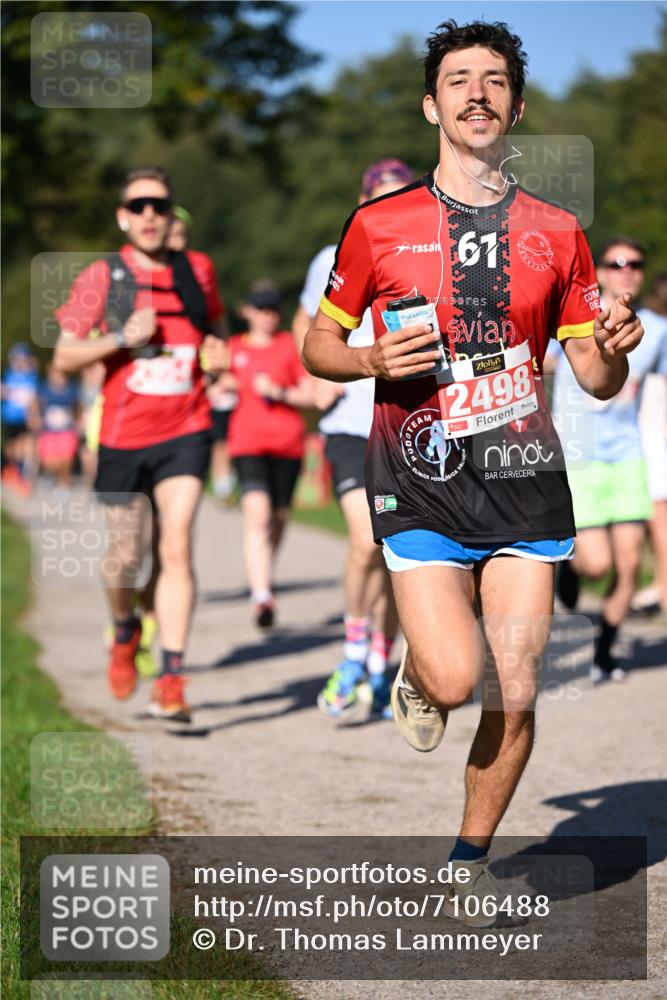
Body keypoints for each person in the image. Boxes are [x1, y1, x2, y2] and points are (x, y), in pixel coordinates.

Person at [302, 19, 644, 921]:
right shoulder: (379, 224)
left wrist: (612, 345)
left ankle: (466, 856)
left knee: (519, 683)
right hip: (416, 473)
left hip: (526, 475)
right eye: (458, 80)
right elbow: (317, 343)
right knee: (457, 681)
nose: (477, 93)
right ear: (432, 104)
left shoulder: (558, 232)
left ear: (517, 105)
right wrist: (371, 363)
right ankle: (420, 675)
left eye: (494, 80)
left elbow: (597, 384)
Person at [53, 166, 227, 723]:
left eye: (160, 205)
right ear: (123, 217)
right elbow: (63, 356)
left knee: (176, 548)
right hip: (123, 436)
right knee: (126, 555)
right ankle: (125, 630)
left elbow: (215, 332)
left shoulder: (197, 270)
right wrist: (120, 339)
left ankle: (172, 676)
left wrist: (216, 356)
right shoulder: (102, 276)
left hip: (187, 428)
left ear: (170, 214)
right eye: (139, 206)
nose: (151, 215)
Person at [293, 160, 415, 719]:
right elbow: (306, 326)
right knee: (367, 538)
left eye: (401, 198)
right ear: (362, 198)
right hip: (347, 422)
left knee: (394, 552)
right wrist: (313, 377)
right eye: (380, 198)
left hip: (406, 426)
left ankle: (383, 663)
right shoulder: (332, 255)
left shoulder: (425, 256)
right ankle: (351, 652)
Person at [553, 240, 667, 676]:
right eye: (616, 263)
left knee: (630, 560)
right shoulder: (574, 316)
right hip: (580, 453)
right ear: (599, 271)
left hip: (627, 453)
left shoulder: (656, 329)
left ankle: (605, 650)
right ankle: (571, 569)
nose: (627, 271)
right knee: (597, 562)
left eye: (635, 264)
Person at [222, 282, 313, 628]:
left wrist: (278, 392)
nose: (267, 316)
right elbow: (217, 385)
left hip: (287, 444)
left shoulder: (289, 346)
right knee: (257, 516)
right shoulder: (233, 348)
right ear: (247, 311)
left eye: (272, 309)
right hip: (247, 443)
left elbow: (310, 395)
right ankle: (262, 596)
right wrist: (219, 386)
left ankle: (263, 574)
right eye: (260, 309)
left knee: (277, 519)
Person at [636, 272, 667, 616]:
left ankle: (657, 587)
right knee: (659, 520)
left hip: (641, 430)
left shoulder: (644, 322)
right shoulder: (660, 331)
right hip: (652, 432)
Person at [32, 361, 81, 490]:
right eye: (55, 374)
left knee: (66, 458)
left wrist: (78, 421)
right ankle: (53, 477)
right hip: (48, 431)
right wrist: (35, 417)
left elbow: (78, 407)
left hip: (67, 430)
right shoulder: (43, 389)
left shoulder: (73, 389)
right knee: (49, 462)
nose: (58, 378)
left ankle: (63, 484)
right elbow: (34, 404)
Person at [1, 342, 39, 495]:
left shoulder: (32, 376)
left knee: (27, 448)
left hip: (26, 419)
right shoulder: (7, 374)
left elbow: (35, 399)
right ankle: (13, 473)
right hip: (10, 418)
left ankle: (26, 480)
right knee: (12, 450)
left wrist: (34, 415)